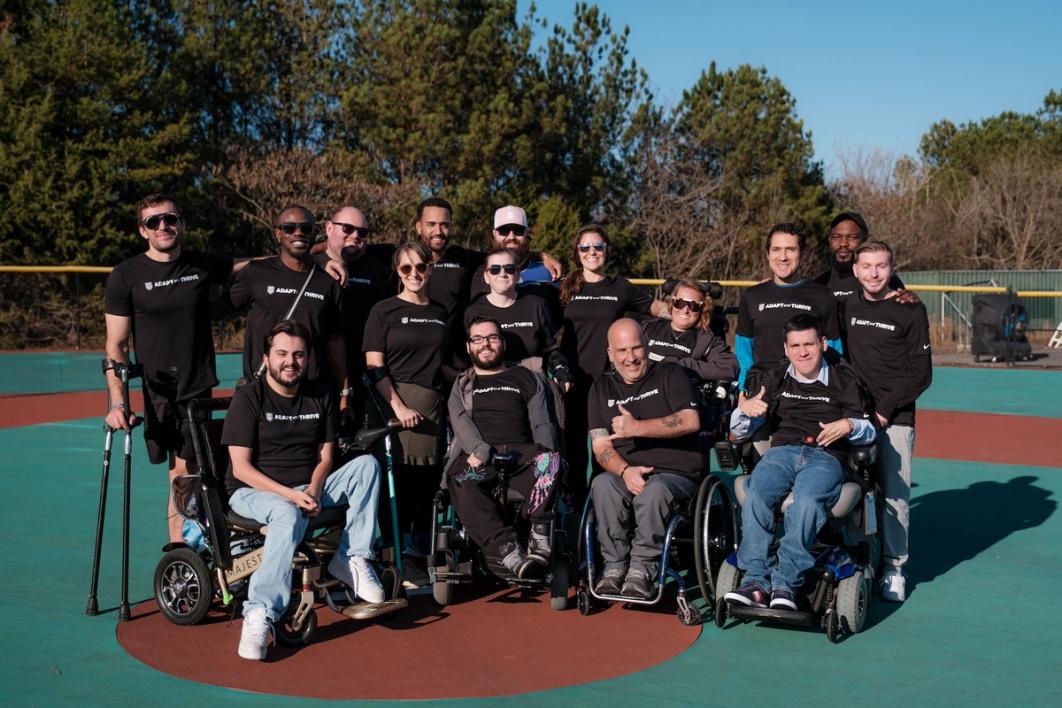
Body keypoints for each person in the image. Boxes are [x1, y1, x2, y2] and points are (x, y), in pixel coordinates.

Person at [223, 321, 383, 661]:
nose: (290, 361)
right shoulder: (248, 397)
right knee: (285, 511)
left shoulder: (321, 394)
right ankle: (260, 612)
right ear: (267, 357)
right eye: (281, 354)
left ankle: (352, 558)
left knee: (366, 466)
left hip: (306, 488)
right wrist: (292, 496)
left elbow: (326, 458)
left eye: (298, 354)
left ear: (308, 359)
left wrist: (312, 487)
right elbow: (241, 468)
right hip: (253, 492)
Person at [104, 193, 235, 545]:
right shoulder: (125, 275)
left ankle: (193, 547)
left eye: (170, 219)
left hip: (198, 383)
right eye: (153, 222)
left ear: (182, 223)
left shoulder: (200, 265)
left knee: (200, 468)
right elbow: (115, 346)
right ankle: (181, 553)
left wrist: (315, 253)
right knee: (180, 473)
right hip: (159, 390)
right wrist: (118, 403)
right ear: (142, 230)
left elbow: (254, 266)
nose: (164, 226)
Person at [724, 314, 876, 610]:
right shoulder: (775, 377)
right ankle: (755, 579)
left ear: (822, 343)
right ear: (786, 348)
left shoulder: (844, 378)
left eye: (809, 344)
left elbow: (869, 430)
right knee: (756, 494)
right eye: (795, 345)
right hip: (781, 452)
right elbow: (739, 431)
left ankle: (785, 583)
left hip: (826, 456)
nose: (802, 352)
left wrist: (849, 425)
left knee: (805, 502)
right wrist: (745, 412)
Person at [586, 319, 703, 599]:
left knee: (654, 492)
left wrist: (638, 427)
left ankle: (642, 569)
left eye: (636, 348)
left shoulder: (671, 374)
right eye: (622, 350)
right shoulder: (601, 389)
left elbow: (691, 420)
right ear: (610, 353)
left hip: (675, 473)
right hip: (625, 472)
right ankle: (614, 567)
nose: (630, 358)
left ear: (647, 346)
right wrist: (625, 471)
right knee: (602, 485)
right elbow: (600, 445)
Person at [845, 240, 932, 602]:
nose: (874, 273)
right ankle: (857, 558)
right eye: (866, 266)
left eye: (881, 266)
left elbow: (921, 374)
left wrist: (885, 408)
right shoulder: (847, 303)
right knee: (851, 490)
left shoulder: (910, 309)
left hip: (895, 418)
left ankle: (895, 568)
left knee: (894, 497)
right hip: (853, 416)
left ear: (891, 267)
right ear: (856, 270)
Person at [446, 317, 563, 579]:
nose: (485, 343)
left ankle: (539, 530)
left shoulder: (527, 378)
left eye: (492, 338)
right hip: (480, 456)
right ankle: (506, 549)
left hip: (523, 453)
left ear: (502, 343)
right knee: (461, 480)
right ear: (469, 347)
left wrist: (549, 453)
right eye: (478, 338)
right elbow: (460, 420)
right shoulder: (464, 383)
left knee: (552, 461)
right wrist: (480, 450)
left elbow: (543, 424)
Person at [559, 225, 668, 499]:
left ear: (607, 251)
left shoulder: (620, 286)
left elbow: (657, 309)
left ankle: (602, 505)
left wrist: (688, 307)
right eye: (585, 247)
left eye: (598, 246)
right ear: (577, 252)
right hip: (574, 380)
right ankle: (575, 511)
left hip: (610, 383)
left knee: (608, 448)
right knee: (573, 448)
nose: (592, 252)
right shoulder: (564, 288)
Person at [363, 240, 450, 581]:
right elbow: (374, 364)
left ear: (430, 268)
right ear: (397, 272)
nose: (414, 274)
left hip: (432, 410)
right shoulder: (383, 310)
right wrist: (397, 405)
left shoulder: (441, 312)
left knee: (425, 485)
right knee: (392, 486)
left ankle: (416, 554)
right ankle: (390, 557)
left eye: (421, 267)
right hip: (392, 406)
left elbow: (442, 365)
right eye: (406, 268)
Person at [229, 205, 347, 390]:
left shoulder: (328, 283)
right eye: (289, 228)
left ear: (314, 234)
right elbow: (222, 306)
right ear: (278, 234)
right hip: (263, 387)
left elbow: (335, 342)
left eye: (306, 228)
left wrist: (344, 392)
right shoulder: (255, 273)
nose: (298, 233)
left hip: (312, 390)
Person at [313, 206, 395, 420]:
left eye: (363, 232)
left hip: (366, 377)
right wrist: (321, 260)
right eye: (347, 228)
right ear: (329, 228)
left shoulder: (379, 269)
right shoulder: (309, 267)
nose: (355, 236)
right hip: (318, 378)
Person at [643, 279, 738, 384]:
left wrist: (685, 365)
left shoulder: (705, 340)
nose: (685, 310)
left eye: (693, 306)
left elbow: (730, 368)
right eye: (680, 303)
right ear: (672, 302)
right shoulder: (650, 328)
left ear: (702, 309)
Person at [469, 205, 563, 301]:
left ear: (526, 232)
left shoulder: (548, 271)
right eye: (504, 230)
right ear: (494, 234)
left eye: (518, 230)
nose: (511, 237)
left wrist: (544, 257)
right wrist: (543, 255)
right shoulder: (479, 271)